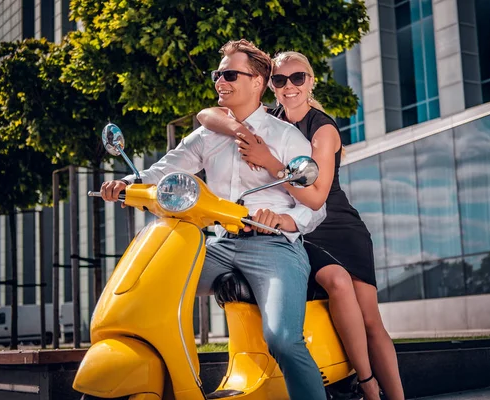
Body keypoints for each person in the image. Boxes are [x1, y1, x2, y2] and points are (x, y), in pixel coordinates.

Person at [100, 40, 327, 400]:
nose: (220, 80)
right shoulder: (208, 135)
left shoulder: (285, 136)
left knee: (282, 339)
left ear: (257, 82)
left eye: (230, 74)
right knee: (153, 286)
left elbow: (316, 206)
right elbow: (164, 169)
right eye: (218, 74)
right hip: (220, 244)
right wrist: (126, 182)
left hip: (273, 246)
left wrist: (284, 219)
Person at [197, 51, 405, 400]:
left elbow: (318, 196)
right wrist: (236, 127)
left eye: (298, 78)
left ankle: (383, 392)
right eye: (280, 80)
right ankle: (353, 381)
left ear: (311, 82)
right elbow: (207, 114)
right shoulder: (266, 119)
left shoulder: (321, 128)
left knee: (365, 313)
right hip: (285, 230)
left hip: (333, 226)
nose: (289, 86)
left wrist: (269, 161)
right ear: (269, 86)